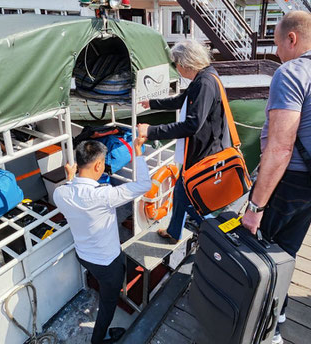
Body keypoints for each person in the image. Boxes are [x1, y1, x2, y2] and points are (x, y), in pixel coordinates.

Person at [240, 10, 311, 344]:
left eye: (277, 45)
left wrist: (255, 207)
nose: (277, 53)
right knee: (288, 250)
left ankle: (263, 328)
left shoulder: (292, 73)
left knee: (260, 254)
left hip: (289, 182)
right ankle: (278, 311)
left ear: (291, 38)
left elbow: (280, 149)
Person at [53, 138, 151, 344]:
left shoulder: (60, 193)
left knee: (104, 283)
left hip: (84, 257)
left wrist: (71, 178)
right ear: (98, 165)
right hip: (108, 263)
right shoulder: (104, 195)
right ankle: (98, 339)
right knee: (108, 302)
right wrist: (138, 150)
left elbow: (72, 190)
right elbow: (144, 184)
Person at [137, 39, 229, 243]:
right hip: (200, 149)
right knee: (181, 192)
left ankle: (215, 235)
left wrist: (150, 131)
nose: (176, 68)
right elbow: (181, 100)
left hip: (202, 153)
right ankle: (175, 231)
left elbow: (191, 125)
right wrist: (152, 103)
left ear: (186, 63)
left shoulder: (204, 83)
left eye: (176, 64)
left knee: (187, 195)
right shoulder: (204, 77)